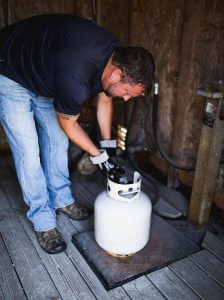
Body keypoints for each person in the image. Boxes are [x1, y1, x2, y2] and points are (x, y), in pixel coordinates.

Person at [0, 14, 155, 254]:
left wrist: (108, 146)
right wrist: (99, 157)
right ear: (117, 75)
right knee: (29, 152)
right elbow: (69, 125)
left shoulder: (113, 58)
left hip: (46, 73)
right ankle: (43, 221)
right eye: (127, 92)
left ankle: (62, 200)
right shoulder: (75, 77)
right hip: (11, 71)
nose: (126, 98)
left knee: (57, 143)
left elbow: (105, 101)